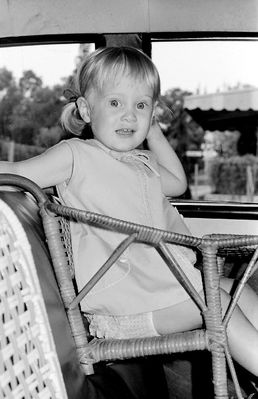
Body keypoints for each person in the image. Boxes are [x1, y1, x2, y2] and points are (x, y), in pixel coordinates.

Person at [0, 47, 258, 390]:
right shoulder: (76, 155)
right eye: (115, 103)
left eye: (141, 105)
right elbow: (16, 171)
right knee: (219, 300)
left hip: (158, 292)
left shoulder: (142, 163)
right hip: (120, 310)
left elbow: (177, 183)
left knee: (238, 291)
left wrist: (153, 131)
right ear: (86, 110)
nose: (129, 116)